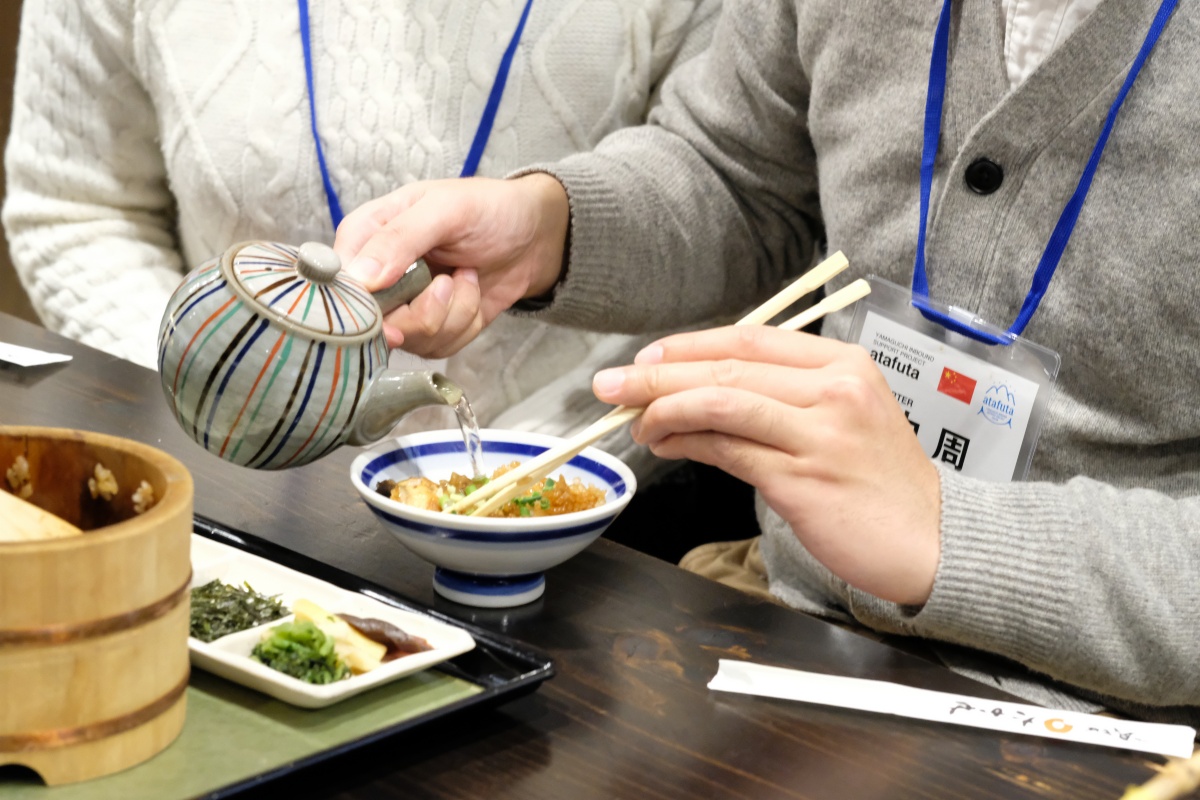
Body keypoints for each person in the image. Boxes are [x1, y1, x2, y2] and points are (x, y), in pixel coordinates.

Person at [330, 0, 1200, 725]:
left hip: (1106, 720)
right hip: (785, 630)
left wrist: (948, 535)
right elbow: (742, 175)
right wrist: (550, 227)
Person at [1, 0, 720, 484]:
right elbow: (74, 203)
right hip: (222, 485)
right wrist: (224, 405)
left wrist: (537, 471)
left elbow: (740, 219)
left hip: (590, 503)